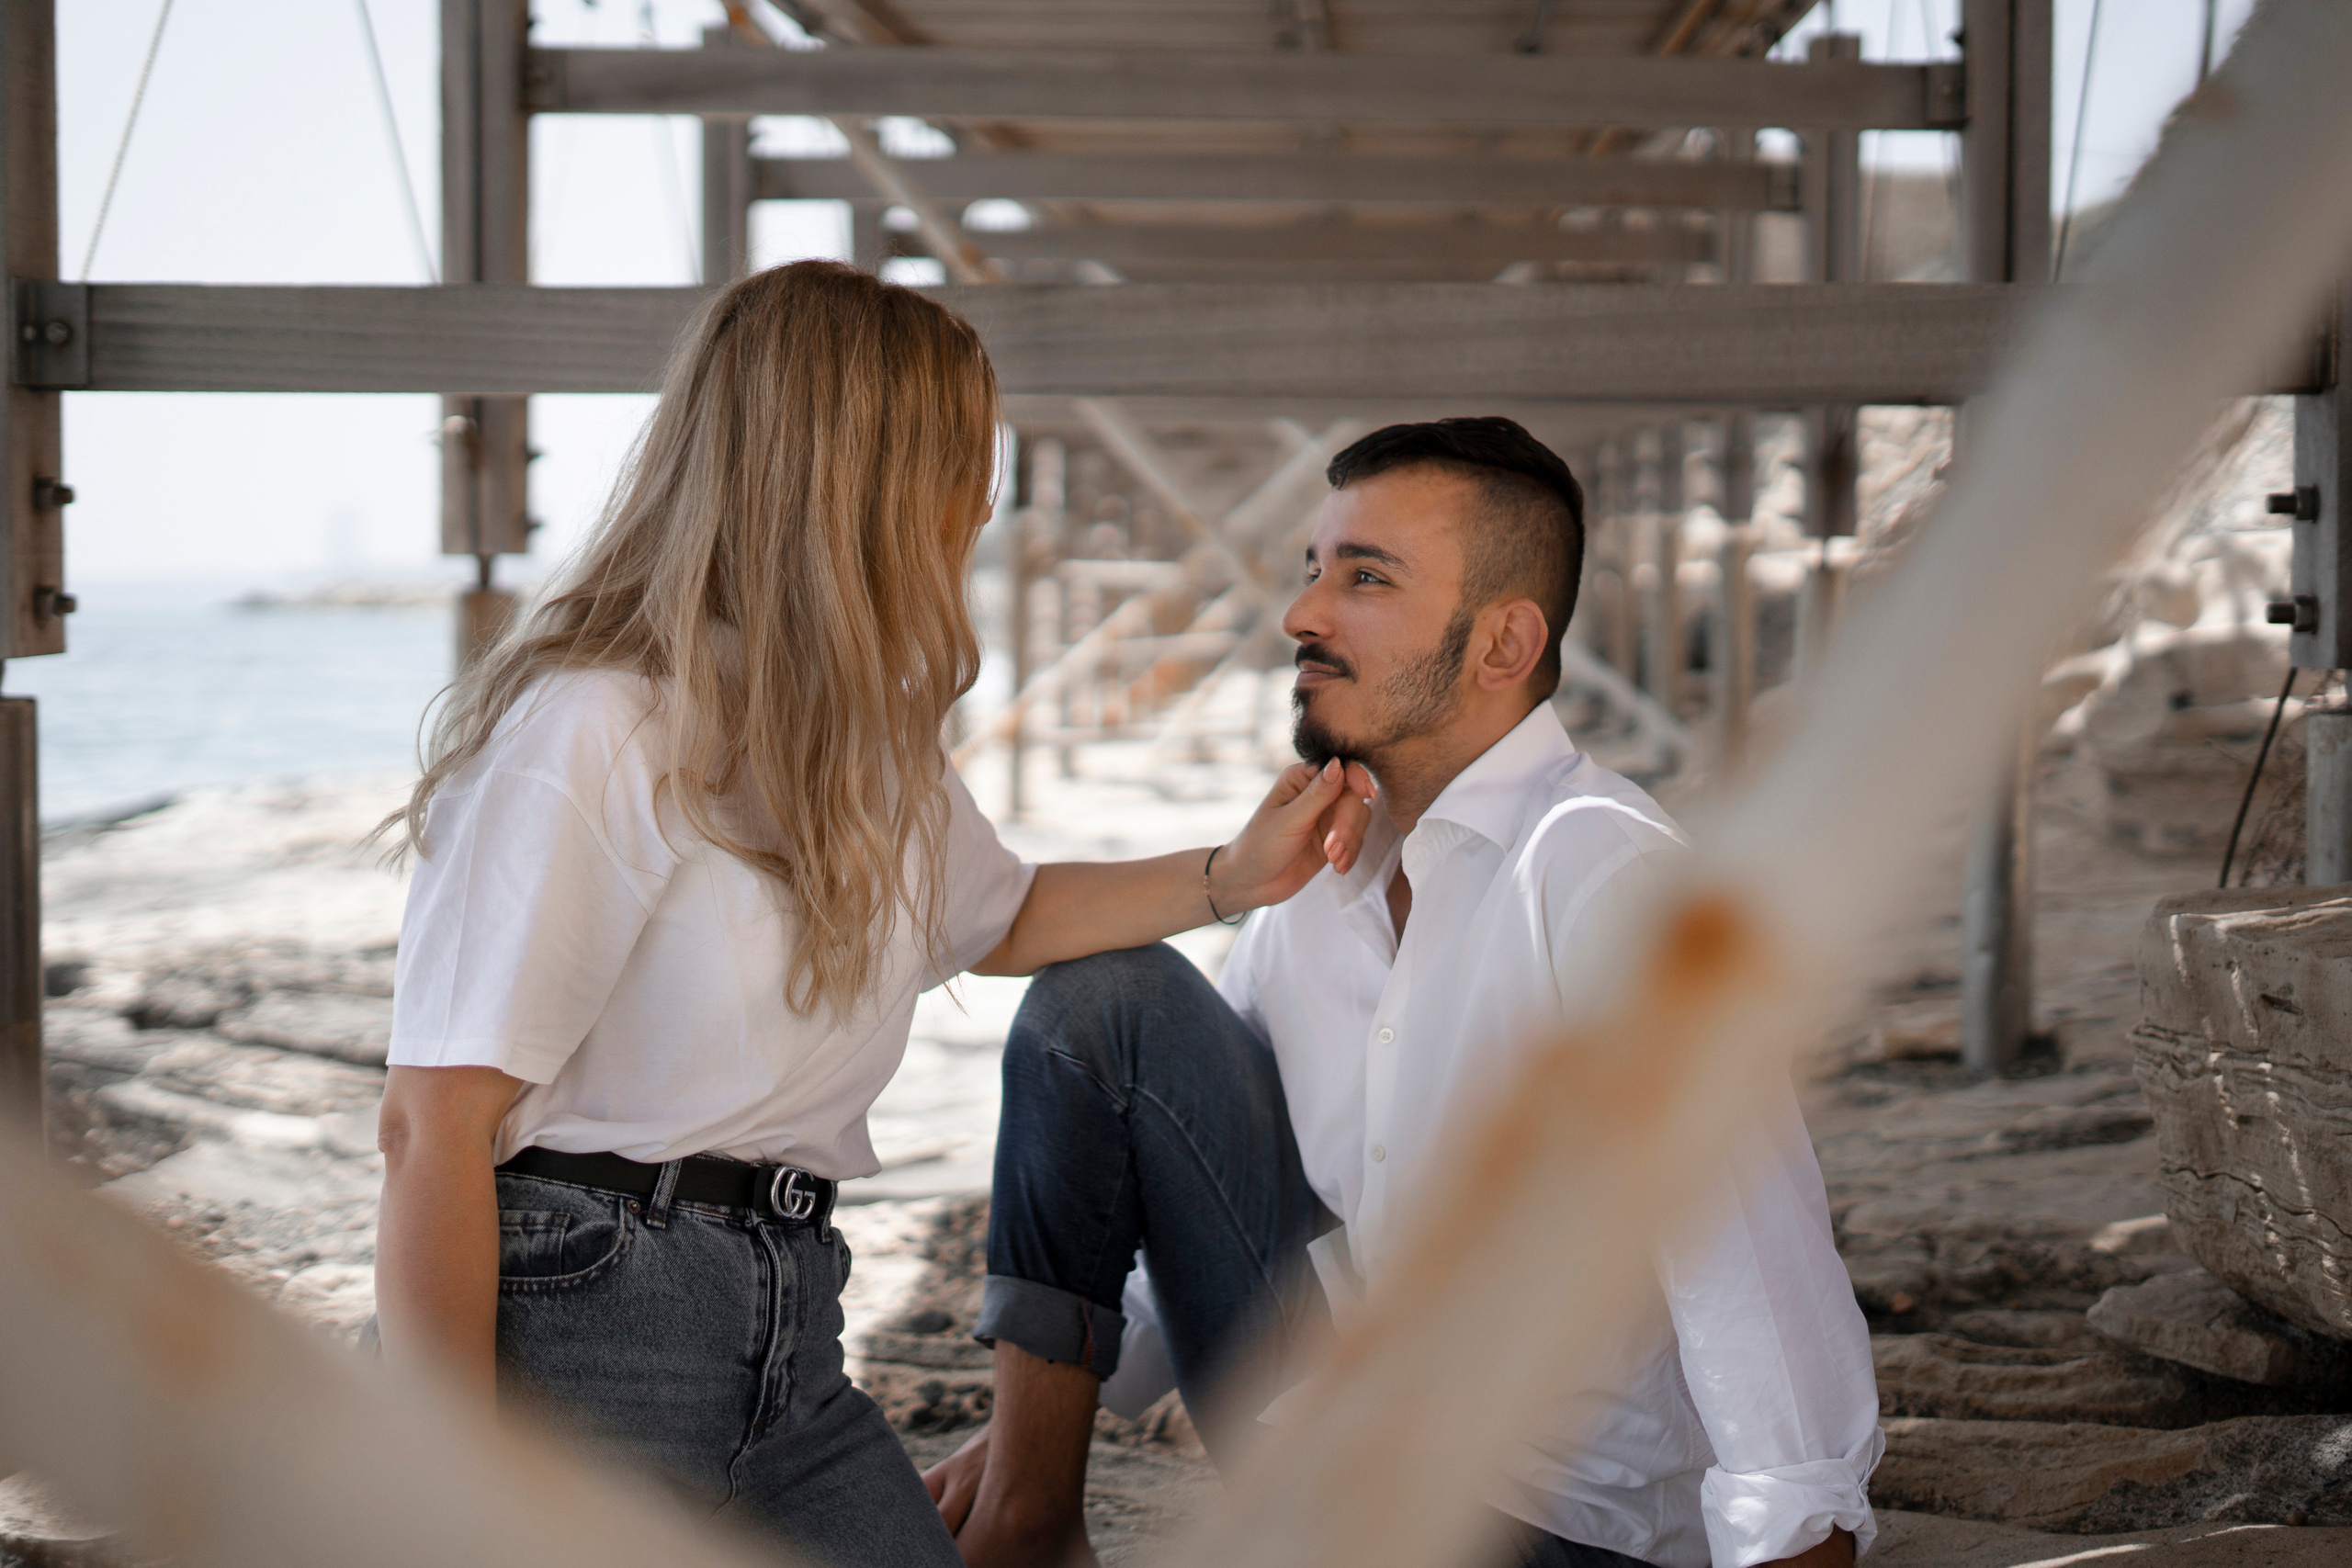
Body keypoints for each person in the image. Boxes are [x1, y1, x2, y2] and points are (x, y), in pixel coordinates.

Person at [370, 260, 1372, 1568]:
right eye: (963, 455)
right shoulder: (599, 724)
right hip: (587, 1322)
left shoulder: (868, 745)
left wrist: (1227, 876)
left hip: (793, 1336)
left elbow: (1003, 917)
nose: (986, 498)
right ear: (862, 475)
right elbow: (430, 1123)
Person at [925, 418, 1882, 1568]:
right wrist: (1040, 1417)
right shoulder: (1320, 875)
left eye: (1365, 578)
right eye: (1312, 571)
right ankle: (1025, 1529)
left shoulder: (1603, 871)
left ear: (1502, 643)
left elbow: (1752, 1265)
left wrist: (1797, 1537)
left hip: (1553, 1522)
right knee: (1105, 1007)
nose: (1302, 617)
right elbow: (1183, 1159)